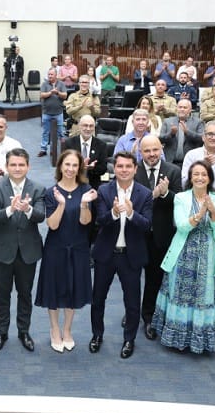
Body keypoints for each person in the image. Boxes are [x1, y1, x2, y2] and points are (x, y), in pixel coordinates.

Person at [152, 160, 215, 354]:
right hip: (183, 252)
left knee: (204, 294)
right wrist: (200, 213)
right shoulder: (181, 197)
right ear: (190, 178)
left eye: (204, 174)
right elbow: (181, 226)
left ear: (210, 178)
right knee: (180, 293)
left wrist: (212, 210)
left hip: (209, 254)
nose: (200, 178)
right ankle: (176, 336)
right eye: (196, 174)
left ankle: (200, 338)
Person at [89, 151, 153, 359]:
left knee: (132, 303)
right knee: (98, 299)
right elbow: (99, 220)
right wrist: (114, 213)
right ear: (114, 169)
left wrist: (132, 214)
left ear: (135, 169)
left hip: (130, 256)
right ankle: (97, 335)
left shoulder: (145, 194)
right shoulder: (104, 190)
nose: (124, 170)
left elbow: (147, 225)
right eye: (120, 166)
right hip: (106, 255)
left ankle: (129, 339)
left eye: (128, 166)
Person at [36, 150, 97, 353]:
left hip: (78, 247)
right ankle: (54, 329)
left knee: (73, 288)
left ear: (79, 168)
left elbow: (85, 222)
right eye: (67, 164)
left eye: (74, 165)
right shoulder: (51, 192)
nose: (70, 169)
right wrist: (61, 204)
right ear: (60, 166)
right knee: (53, 289)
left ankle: (67, 330)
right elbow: (52, 225)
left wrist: (84, 204)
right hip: (56, 247)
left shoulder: (86, 190)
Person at [0, 148, 45, 353]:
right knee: (2, 295)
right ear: (6, 166)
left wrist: (27, 209)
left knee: (25, 294)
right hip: (2, 251)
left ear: (28, 166)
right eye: (13, 165)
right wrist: (11, 209)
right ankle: (2, 332)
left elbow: (40, 216)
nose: (17, 168)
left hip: (28, 252)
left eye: (21, 165)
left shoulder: (38, 189)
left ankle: (24, 331)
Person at [135, 136, 182, 341]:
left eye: (155, 150)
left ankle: (148, 317)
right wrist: (153, 195)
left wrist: (165, 194)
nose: (152, 154)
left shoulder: (173, 171)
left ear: (161, 149)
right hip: (136, 234)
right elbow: (129, 201)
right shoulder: (132, 170)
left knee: (154, 280)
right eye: (147, 151)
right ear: (141, 152)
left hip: (160, 236)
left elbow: (180, 201)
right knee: (131, 279)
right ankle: (132, 311)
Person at [63, 115, 108, 191]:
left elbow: (103, 169)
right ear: (79, 126)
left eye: (91, 126)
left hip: (93, 186)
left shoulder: (101, 145)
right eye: (85, 125)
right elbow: (64, 165)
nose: (88, 129)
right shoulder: (69, 143)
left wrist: (92, 168)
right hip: (72, 183)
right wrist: (80, 166)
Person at [159, 98, 204, 166]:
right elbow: (160, 139)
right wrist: (171, 134)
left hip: (190, 163)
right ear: (177, 108)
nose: (182, 109)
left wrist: (187, 132)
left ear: (190, 110)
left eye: (185, 107)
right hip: (170, 162)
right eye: (180, 107)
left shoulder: (198, 122)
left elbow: (202, 139)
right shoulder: (167, 121)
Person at [38, 69, 67, 158]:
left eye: (51, 74)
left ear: (56, 75)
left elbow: (65, 96)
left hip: (58, 113)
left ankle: (57, 149)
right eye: (49, 74)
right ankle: (43, 149)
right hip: (46, 113)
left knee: (60, 132)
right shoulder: (44, 84)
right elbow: (42, 95)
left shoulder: (61, 84)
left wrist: (57, 92)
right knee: (45, 132)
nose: (50, 76)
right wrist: (51, 92)